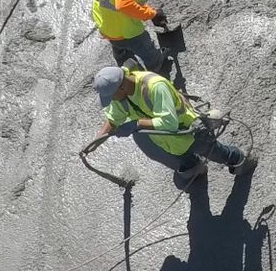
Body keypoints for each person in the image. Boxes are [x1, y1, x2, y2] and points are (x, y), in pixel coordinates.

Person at [82, 64, 250, 187]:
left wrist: (137, 123)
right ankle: (195, 167)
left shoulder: (155, 87)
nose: (111, 101)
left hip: (190, 132)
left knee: (216, 153)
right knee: (183, 158)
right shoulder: (121, 96)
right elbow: (112, 120)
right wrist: (94, 143)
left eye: (111, 97)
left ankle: (239, 160)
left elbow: (169, 123)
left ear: (121, 87)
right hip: (168, 141)